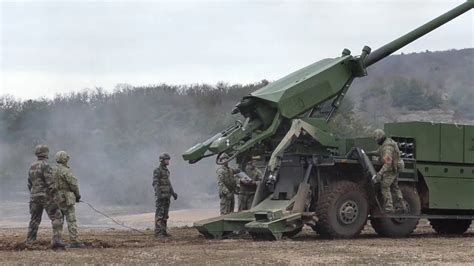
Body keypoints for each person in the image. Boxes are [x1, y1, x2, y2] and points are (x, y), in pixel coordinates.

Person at [26, 144, 65, 249]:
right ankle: (56, 241)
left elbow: (29, 183)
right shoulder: (45, 165)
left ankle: (30, 241)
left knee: (34, 219)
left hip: (34, 197)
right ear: (46, 153)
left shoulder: (31, 166)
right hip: (46, 196)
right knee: (57, 217)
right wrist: (57, 196)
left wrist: (34, 193)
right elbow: (51, 183)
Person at [53, 150, 84, 248]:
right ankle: (74, 240)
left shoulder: (52, 170)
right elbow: (73, 184)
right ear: (65, 159)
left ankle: (57, 240)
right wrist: (77, 195)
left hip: (56, 197)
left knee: (58, 219)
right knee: (71, 219)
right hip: (66, 198)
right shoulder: (66, 170)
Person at [371, 129, 406, 213]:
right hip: (395, 167)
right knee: (394, 187)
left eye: (376, 139)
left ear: (380, 138)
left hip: (392, 168)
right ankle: (402, 205)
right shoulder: (386, 143)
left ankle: (389, 208)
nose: (376, 141)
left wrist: (380, 174)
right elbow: (378, 152)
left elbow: (388, 163)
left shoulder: (387, 147)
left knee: (384, 186)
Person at [153, 153, 178, 239]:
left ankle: (163, 232)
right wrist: (158, 194)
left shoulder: (166, 171)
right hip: (161, 196)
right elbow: (155, 183)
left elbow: (168, 183)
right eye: (166, 159)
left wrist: (173, 193)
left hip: (167, 196)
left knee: (165, 215)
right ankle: (158, 233)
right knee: (159, 214)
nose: (168, 161)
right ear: (162, 160)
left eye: (168, 159)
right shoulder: (157, 170)